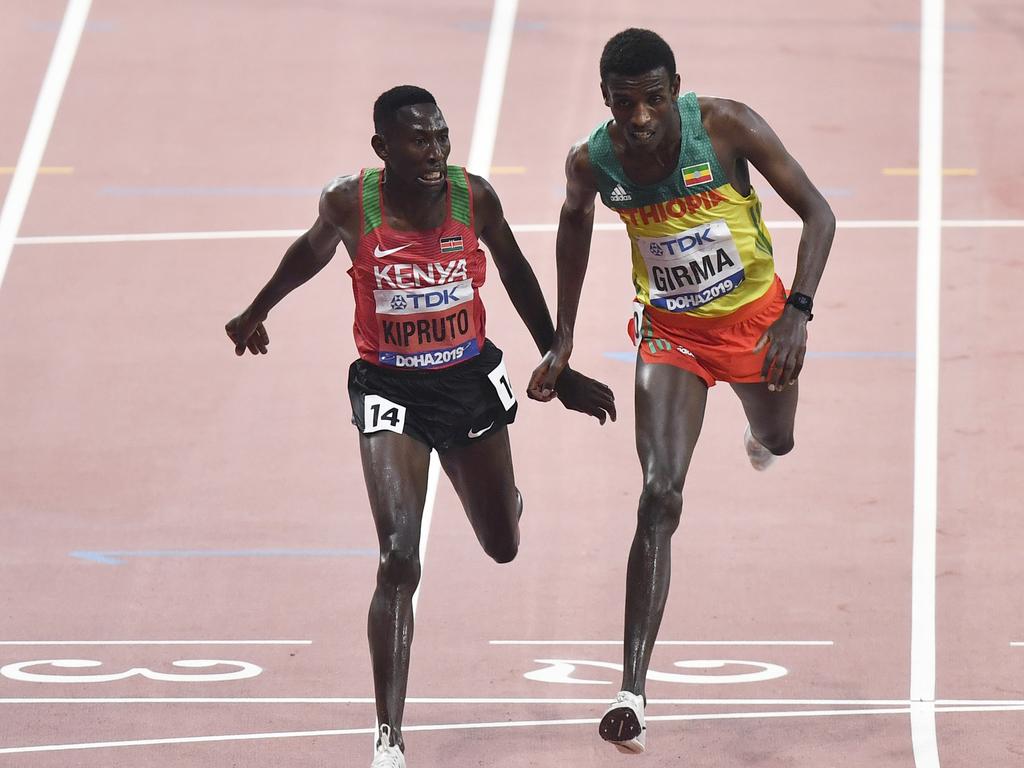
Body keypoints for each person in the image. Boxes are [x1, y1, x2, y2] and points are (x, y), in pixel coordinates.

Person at [225, 85, 616, 768]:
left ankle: (502, 501)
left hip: (468, 385)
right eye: (418, 139)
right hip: (390, 388)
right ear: (382, 148)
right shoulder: (351, 202)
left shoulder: (476, 199)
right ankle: (388, 739)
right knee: (398, 556)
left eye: (440, 135)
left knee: (502, 545)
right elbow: (312, 252)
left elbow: (519, 272)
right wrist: (257, 309)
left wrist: (559, 356)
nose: (435, 150)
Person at [528, 29, 835, 754]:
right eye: (625, 102)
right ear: (606, 98)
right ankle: (631, 690)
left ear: (676, 90)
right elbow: (574, 224)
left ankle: (760, 436)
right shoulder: (592, 161)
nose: (639, 117)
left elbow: (820, 213)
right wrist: (563, 336)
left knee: (779, 437)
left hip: (759, 325)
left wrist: (798, 314)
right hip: (670, 336)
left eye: (654, 100)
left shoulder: (726, 126)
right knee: (659, 493)